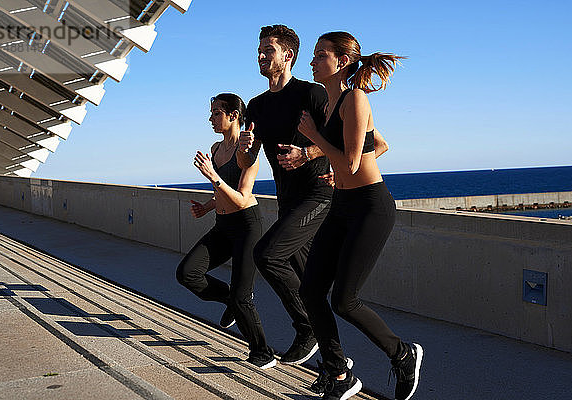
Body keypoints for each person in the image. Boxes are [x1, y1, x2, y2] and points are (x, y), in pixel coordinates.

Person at [297, 32, 423, 400]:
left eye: (321, 55)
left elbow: (352, 160)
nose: (314, 61)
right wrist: (337, 167)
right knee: (310, 290)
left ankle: (402, 354)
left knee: (345, 300)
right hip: (343, 204)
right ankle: (337, 374)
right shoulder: (331, 104)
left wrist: (313, 139)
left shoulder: (356, 98)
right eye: (315, 54)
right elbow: (379, 145)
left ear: (343, 62)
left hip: (370, 206)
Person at [237, 25, 332, 365]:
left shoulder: (313, 94)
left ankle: (306, 328)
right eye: (259, 50)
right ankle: (337, 366)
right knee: (309, 285)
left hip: (319, 193)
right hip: (287, 199)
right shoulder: (256, 105)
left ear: (288, 55)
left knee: (267, 255)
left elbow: (343, 144)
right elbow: (248, 161)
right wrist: (244, 150)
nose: (261, 55)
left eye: (268, 50)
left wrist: (306, 153)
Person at [176, 93, 275, 369]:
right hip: (222, 226)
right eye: (210, 113)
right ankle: (230, 298)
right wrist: (207, 207)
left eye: (216, 113)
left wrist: (212, 176)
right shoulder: (216, 148)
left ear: (233, 115)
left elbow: (242, 197)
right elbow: (223, 193)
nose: (210, 118)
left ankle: (263, 352)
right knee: (187, 273)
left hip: (246, 227)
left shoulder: (249, 151)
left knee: (244, 297)